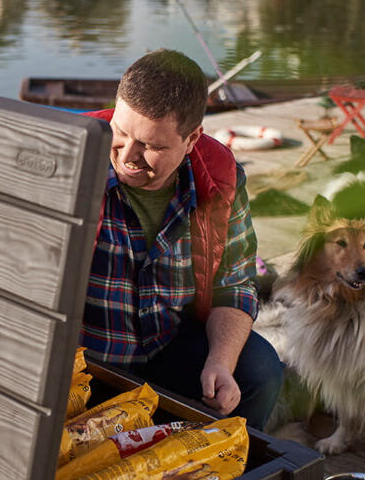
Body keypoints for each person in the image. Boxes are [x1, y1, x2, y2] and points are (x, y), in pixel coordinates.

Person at [80, 49, 283, 430]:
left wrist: (220, 362)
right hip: (83, 361)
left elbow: (234, 285)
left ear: (191, 139)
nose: (128, 156)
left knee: (260, 372)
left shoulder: (222, 178)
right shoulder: (68, 154)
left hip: (168, 348)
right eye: (120, 132)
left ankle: (223, 464)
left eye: (152, 146)